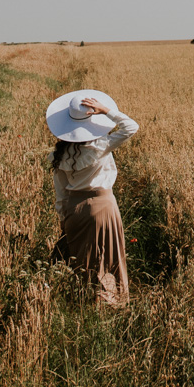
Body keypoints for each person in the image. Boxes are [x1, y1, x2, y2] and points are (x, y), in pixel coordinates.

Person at [45, 88, 139, 304]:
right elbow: (131, 127)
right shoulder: (100, 146)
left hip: (73, 210)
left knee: (80, 259)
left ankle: (79, 300)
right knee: (106, 258)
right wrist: (106, 110)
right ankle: (107, 301)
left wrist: (63, 220)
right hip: (103, 207)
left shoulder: (57, 156)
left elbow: (60, 193)